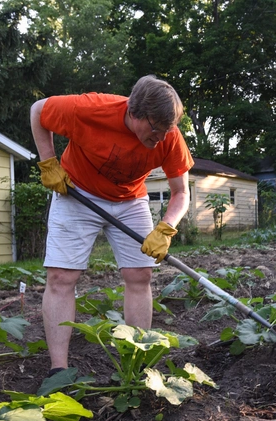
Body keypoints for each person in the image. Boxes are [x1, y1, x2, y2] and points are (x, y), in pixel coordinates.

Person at [30, 75, 194, 376]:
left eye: (165, 131)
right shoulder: (91, 109)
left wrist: (166, 228)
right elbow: (38, 110)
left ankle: (137, 360)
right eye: (154, 129)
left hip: (130, 200)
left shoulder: (168, 136)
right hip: (77, 193)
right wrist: (48, 162)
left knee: (140, 273)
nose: (159, 138)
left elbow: (181, 192)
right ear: (135, 113)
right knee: (61, 277)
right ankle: (58, 370)